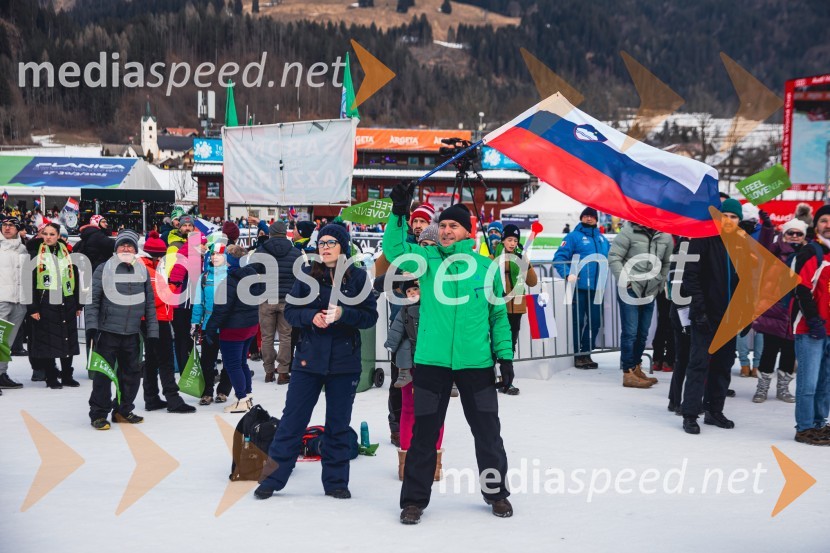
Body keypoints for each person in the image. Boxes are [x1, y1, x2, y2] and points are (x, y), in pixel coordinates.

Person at [383, 188, 514, 525]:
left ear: (468, 232)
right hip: (432, 363)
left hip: (476, 364)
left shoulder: (485, 267)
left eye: (453, 226)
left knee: (487, 434)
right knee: (424, 435)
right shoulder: (426, 261)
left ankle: (496, 493)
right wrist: (399, 212)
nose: (445, 231)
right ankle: (413, 501)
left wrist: (505, 356)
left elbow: (497, 315)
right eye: (443, 226)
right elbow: (394, 250)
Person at [255, 224, 378, 499]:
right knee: (292, 422)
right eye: (321, 242)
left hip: (344, 363)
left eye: (331, 242)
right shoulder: (308, 275)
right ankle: (273, 478)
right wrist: (312, 317)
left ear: (343, 247)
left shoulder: (357, 278)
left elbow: (370, 317)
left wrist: (344, 314)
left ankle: (335, 482)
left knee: (337, 424)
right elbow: (292, 313)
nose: (325, 247)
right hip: (308, 361)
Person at [680, 199, 746, 434]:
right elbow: (691, 277)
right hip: (707, 315)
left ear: (739, 220)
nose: (729, 220)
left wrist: (745, 315)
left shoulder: (742, 245)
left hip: (731, 318)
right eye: (725, 215)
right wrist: (700, 311)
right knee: (698, 364)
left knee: (723, 365)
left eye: (733, 216)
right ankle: (690, 413)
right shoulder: (704, 240)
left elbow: (749, 282)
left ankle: (714, 410)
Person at [86, 230, 158, 430]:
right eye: (122, 245)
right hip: (107, 331)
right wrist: (92, 327)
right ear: (116, 248)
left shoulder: (141, 270)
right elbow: (92, 300)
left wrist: (152, 333)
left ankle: (123, 410)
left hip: (132, 334)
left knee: (131, 375)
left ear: (135, 250)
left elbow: (150, 305)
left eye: (130, 246)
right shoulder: (104, 269)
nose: (126, 249)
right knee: (103, 375)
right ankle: (99, 414)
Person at [384, 280, 445, 481]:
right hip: (409, 363)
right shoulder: (404, 310)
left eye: (415, 289)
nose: (412, 293)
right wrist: (391, 344)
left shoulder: (438, 307)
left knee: (435, 409)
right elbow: (396, 330)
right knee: (409, 407)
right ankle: (406, 461)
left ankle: (434, 462)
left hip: (435, 361)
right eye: (408, 290)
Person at [608, 222, 673, 388]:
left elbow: (666, 262)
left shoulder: (665, 235)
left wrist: (659, 282)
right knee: (630, 332)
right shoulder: (628, 231)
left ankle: (636, 367)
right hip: (630, 289)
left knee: (643, 332)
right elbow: (614, 257)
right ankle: (628, 372)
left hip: (650, 291)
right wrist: (626, 281)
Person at [139, 231, 196, 413]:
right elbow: (156, 297)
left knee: (152, 360)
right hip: (157, 319)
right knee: (165, 360)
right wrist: (173, 287)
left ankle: (151, 397)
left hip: (154, 318)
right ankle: (173, 399)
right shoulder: (149, 270)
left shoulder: (149, 267)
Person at [751, 216, 805, 404]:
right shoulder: (775, 250)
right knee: (769, 350)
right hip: (774, 309)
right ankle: (762, 388)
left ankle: (783, 388)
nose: (795, 236)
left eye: (799, 233)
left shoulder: (807, 253)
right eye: (791, 232)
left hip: (795, 311)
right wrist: (767, 227)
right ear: (784, 234)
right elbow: (762, 248)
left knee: (790, 353)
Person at [204, 245, 264, 413]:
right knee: (242, 362)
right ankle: (247, 396)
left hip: (234, 329)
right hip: (250, 325)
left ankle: (241, 399)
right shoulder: (252, 277)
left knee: (232, 365)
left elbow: (222, 308)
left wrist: (211, 328)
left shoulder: (231, 280)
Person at [791, 204, 830, 445]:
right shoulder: (811, 252)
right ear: (816, 226)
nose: (829, 225)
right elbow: (801, 288)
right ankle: (804, 427)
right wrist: (813, 320)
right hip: (810, 329)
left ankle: (819, 423)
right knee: (809, 381)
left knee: (826, 382)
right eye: (824, 220)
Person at [553, 207, 610, 369]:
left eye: (592, 216)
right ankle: (577, 355)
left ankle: (586, 353)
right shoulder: (573, 237)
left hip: (598, 288)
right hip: (579, 288)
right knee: (578, 322)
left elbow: (612, 257)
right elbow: (559, 257)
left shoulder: (602, 239)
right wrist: (567, 274)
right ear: (581, 218)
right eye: (586, 216)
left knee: (595, 323)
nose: (589, 219)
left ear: (597, 219)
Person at [26, 223, 81, 389]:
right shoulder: (35, 255)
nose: (48, 237)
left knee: (67, 338)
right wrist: (33, 308)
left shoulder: (68, 254)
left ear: (58, 236)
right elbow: (29, 283)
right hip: (45, 302)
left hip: (67, 300)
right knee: (48, 340)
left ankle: (66, 375)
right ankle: (51, 376)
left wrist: (79, 304)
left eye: (52, 234)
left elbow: (76, 279)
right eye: (45, 234)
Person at [252, 220, 301, 385]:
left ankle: (268, 371)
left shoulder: (261, 250)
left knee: (267, 337)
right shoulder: (295, 253)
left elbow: (253, 271)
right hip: (287, 300)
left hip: (266, 298)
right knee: (286, 336)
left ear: (270, 233)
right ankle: (283, 372)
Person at [492, 223, 538, 395]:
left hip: (516, 307)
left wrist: (527, 264)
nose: (512, 243)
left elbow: (532, 282)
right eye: (509, 239)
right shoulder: (493, 257)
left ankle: (507, 381)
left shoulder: (521, 257)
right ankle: (489, 379)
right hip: (498, 306)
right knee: (493, 344)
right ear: (503, 240)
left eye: (515, 240)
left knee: (510, 344)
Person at [192, 240, 233, 404]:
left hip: (228, 325)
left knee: (230, 360)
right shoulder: (205, 277)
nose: (216, 257)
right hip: (209, 324)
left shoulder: (231, 276)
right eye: (213, 254)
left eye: (219, 254)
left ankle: (223, 391)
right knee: (207, 361)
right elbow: (198, 302)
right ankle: (207, 391)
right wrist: (195, 323)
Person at [0, 216, 28, 392]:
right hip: (2, 300)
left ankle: (2, 374)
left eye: (11, 225)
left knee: (7, 343)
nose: (7, 228)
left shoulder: (23, 249)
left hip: (19, 302)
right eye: (4, 225)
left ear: (18, 229)